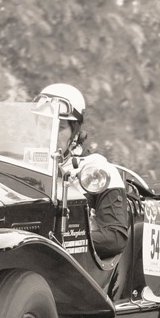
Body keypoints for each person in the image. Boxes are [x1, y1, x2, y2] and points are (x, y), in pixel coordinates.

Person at [35, 83, 129, 260]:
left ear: (75, 133)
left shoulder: (97, 170)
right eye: (43, 124)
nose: (49, 134)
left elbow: (115, 238)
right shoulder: (19, 165)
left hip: (74, 269)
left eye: (59, 127)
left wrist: (60, 243)